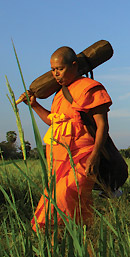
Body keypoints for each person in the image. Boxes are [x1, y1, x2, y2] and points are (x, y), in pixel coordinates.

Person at [22, 46, 112, 231]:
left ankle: (73, 237)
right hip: (58, 158)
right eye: (53, 70)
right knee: (57, 198)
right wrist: (34, 105)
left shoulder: (90, 88)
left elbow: (102, 125)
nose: (56, 74)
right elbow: (53, 122)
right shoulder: (59, 94)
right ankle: (72, 240)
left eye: (60, 69)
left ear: (73, 65)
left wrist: (95, 156)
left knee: (67, 194)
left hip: (83, 154)